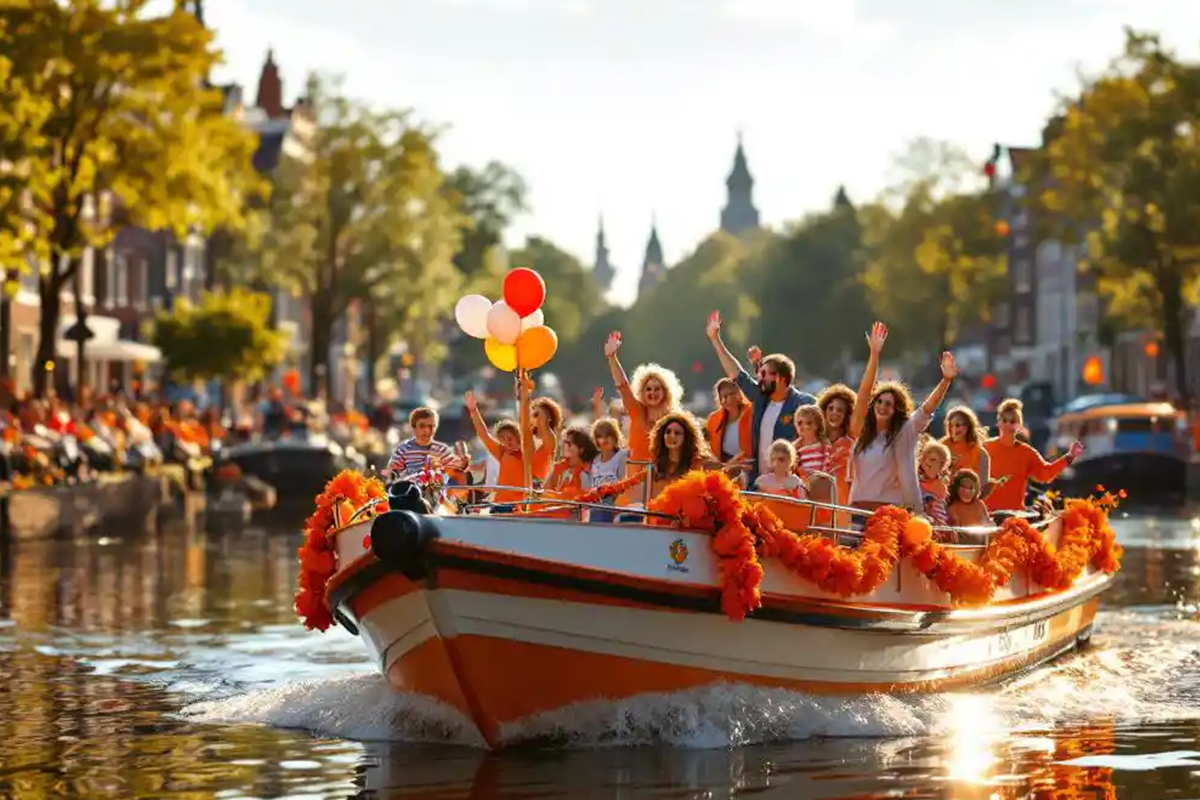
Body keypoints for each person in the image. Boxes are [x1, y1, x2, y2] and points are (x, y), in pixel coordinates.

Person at [846, 321, 957, 512]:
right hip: (857, 509)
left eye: (889, 404)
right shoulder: (862, 431)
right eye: (879, 402)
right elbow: (864, 392)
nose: (882, 407)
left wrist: (945, 381)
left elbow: (927, 408)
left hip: (891, 512)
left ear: (897, 410)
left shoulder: (906, 430)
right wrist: (874, 354)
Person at [704, 310, 816, 486]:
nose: (759, 378)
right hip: (758, 485)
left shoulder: (804, 403)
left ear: (780, 378)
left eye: (764, 374)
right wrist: (715, 339)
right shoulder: (760, 398)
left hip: (789, 488)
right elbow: (736, 374)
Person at [602, 331, 684, 497]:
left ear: (666, 392)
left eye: (657, 389)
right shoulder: (637, 411)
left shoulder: (675, 419)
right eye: (648, 389)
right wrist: (612, 357)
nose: (652, 393)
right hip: (634, 484)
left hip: (663, 484)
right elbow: (623, 386)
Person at [984, 398, 1083, 512]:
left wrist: (1070, 456)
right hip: (986, 515)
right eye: (1004, 420)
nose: (1008, 425)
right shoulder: (985, 447)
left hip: (1015, 515)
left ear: (1019, 425)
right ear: (998, 423)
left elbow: (1045, 474)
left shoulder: (1027, 452)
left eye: (1012, 422)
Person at [385, 407, 467, 482]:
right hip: (411, 491)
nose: (427, 430)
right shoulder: (405, 449)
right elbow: (392, 471)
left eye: (431, 426)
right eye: (422, 426)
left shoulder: (441, 450)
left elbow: (455, 466)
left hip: (435, 492)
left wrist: (462, 462)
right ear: (414, 427)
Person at [705, 378, 753, 483]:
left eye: (728, 395)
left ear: (739, 394)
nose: (724, 400)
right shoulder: (714, 418)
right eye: (721, 396)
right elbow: (709, 449)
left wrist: (733, 463)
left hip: (748, 468)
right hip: (724, 471)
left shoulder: (751, 413)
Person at [589, 417, 628, 523]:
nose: (605, 439)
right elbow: (592, 486)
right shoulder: (595, 461)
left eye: (608, 435)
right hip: (597, 507)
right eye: (600, 436)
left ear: (615, 437)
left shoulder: (622, 456)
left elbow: (624, 482)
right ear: (596, 440)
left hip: (615, 507)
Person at [917, 439, 951, 526]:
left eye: (933, 460)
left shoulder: (940, 486)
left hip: (935, 522)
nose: (927, 461)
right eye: (925, 458)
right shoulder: (915, 480)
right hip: (918, 520)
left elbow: (939, 511)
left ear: (941, 466)